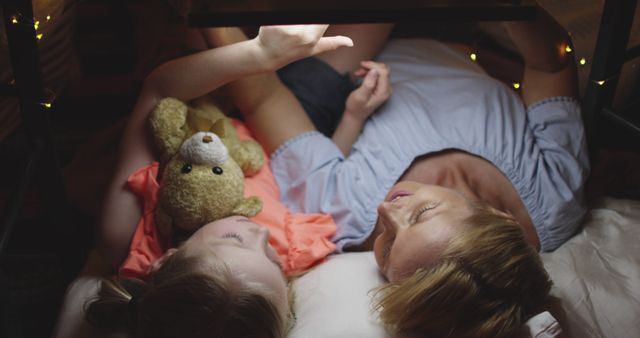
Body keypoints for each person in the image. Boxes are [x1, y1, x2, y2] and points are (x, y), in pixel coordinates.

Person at [226, 4, 588, 338]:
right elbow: (552, 65)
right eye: (423, 214)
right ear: (499, 217)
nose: (385, 211)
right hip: (460, 31)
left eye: (387, 248)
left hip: (345, 68)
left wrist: (206, 19)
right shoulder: (555, 197)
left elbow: (263, 97)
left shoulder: (346, 214)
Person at [86, 24, 393, 338]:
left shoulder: (125, 233)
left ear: (166, 261)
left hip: (194, 103)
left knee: (189, 29)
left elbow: (159, 91)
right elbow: (315, 184)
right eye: (272, 258)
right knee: (367, 23)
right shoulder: (289, 254)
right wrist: (353, 117)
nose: (259, 231)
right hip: (282, 126)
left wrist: (259, 55)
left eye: (234, 238)